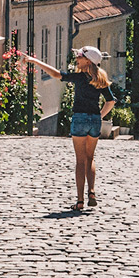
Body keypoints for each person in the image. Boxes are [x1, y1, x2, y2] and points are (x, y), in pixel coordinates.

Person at [21, 45, 115, 211]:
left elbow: (57, 74)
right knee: (90, 158)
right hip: (94, 120)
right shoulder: (100, 79)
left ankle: (80, 201)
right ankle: (92, 192)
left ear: (88, 61)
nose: (77, 59)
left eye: (79, 56)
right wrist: (99, 116)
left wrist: (35, 61)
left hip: (79, 118)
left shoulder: (79, 77)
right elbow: (111, 101)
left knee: (80, 160)